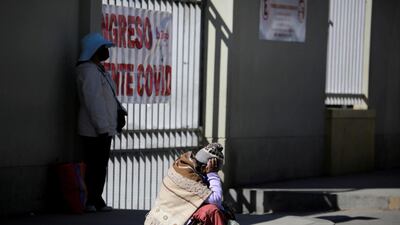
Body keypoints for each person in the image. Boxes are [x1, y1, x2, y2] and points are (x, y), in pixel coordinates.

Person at [76, 33, 126, 212]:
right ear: (95, 51)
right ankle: (90, 200)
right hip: (95, 130)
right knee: (94, 166)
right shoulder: (89, 71)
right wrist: (102, 127)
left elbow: (108, 98)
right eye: (104, 48)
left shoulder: (98, 70)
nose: (107, 51)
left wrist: (119, 113)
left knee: (100, 166)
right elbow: (93, 101)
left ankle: (97, 199)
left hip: (104, 128)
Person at [144, 143, 237, 225]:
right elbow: (216, 199)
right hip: (167, 220)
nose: (216, 172)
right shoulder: (188, 176)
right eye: (215, 169)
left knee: (223, 209)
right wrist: (212, 174)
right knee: (211, 211)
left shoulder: (189, 166)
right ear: (205, 167)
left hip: (175, 215)